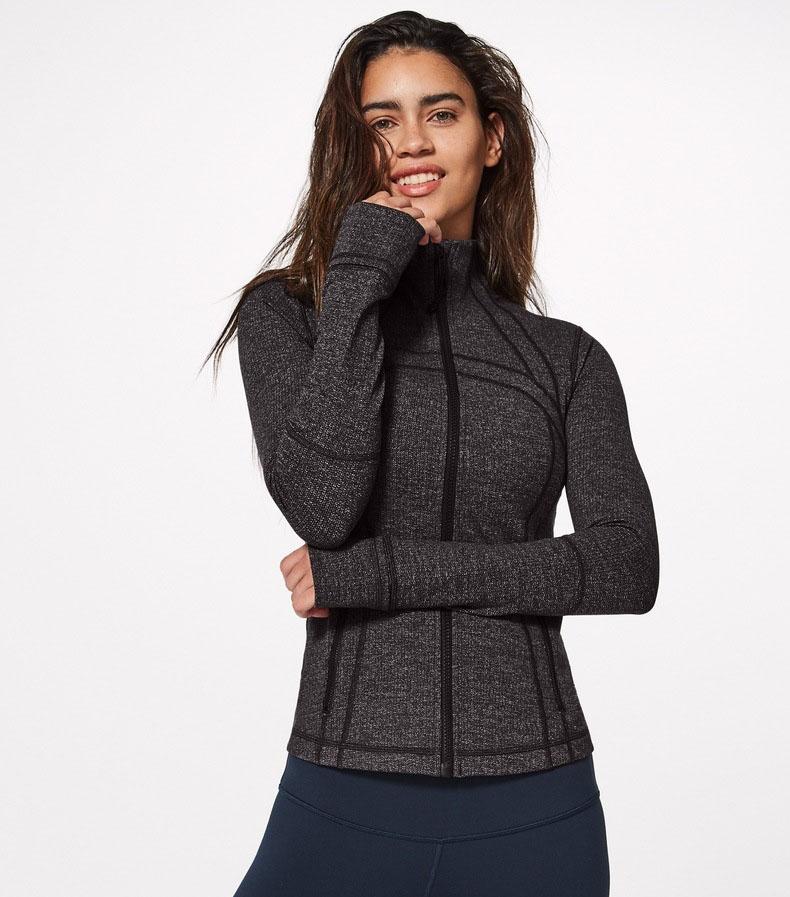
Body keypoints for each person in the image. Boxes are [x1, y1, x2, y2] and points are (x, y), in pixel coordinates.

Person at [204, 11, 659, 897]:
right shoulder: (288, 318)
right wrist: (358, 281)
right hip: (343, 793)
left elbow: (626, 564)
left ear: (492, 139)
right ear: (354, 146)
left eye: (440, 113)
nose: (411, 142)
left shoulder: (567, 360)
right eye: (382, 122)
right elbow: (322, 503)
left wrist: (381, 574)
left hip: (538, 803)